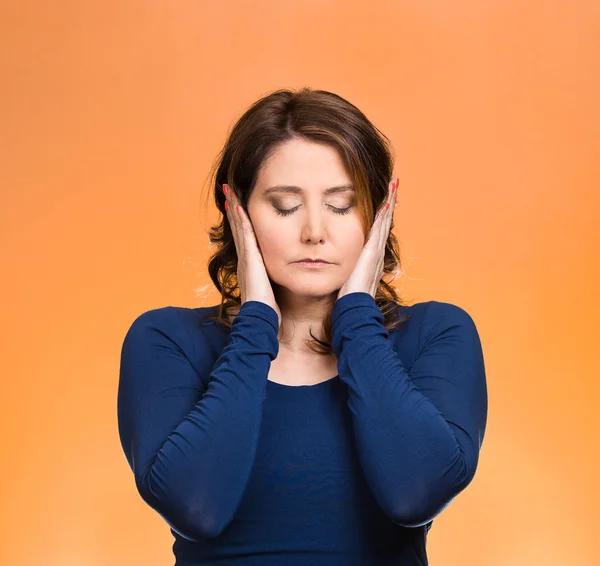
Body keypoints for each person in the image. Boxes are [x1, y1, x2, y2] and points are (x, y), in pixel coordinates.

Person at [117, 87, 488, 565]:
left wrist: (355, 312)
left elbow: (414, 496)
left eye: (341, 205)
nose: (315, 230)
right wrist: (256, 323)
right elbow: (197, 509)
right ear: (238, 211)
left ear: (380, 213)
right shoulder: (167, 341)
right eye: (286, 206)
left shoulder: (435, 335)